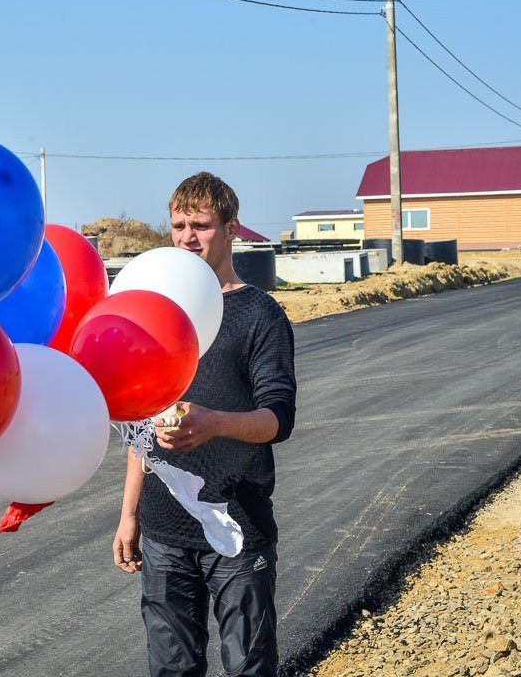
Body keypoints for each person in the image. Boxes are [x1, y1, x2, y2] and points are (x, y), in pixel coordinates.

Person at [112, 172, 297, 677]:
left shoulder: (260, 316)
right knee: (171, 670)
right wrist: (129, 514)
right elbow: (140, 423)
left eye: (201, 224)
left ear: (232, 228)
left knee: (249, 667)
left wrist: (215, 423)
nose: (187, 237)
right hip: (163, 532)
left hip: (239, 525)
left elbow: (278, 419)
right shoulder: (154, 313)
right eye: (177, 225)